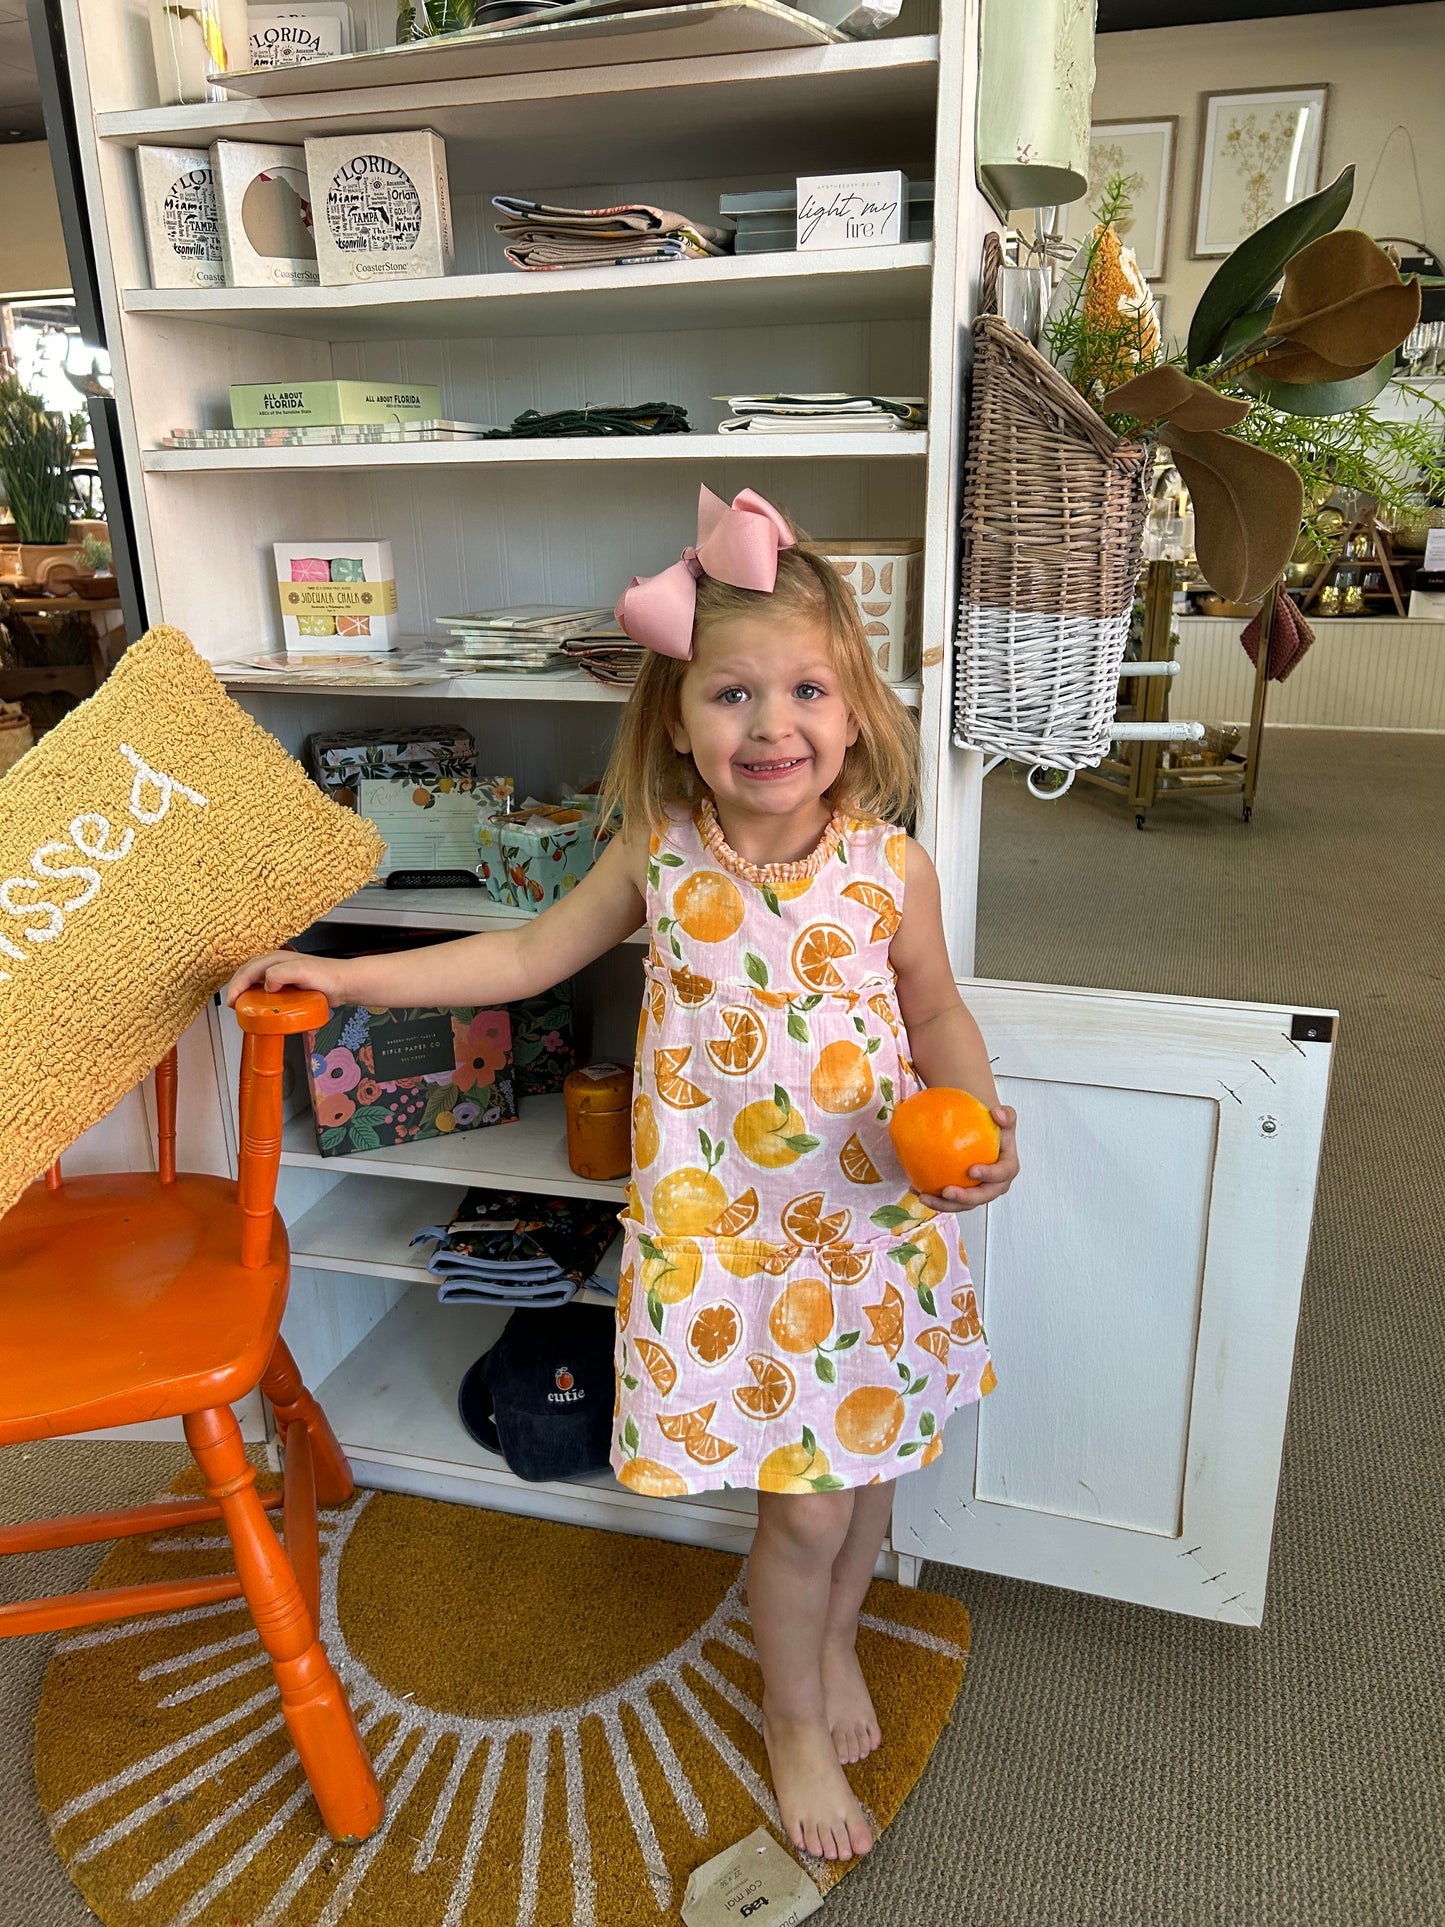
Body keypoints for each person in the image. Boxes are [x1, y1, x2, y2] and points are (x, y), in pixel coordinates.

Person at [227, 486, 1019, 1865]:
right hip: (732, 1249)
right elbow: (521, 960)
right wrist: (346, 970)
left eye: (806, 689)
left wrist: (981, 1116)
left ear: (855, 710)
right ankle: (786, 1710)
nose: (771, 726)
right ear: (673, 722)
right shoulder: (658, 857)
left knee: (873, 1464)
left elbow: (937, 1011)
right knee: (804, 1502)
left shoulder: (893, 867)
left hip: (877, 1232)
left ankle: (833, 1642)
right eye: (729, 695)